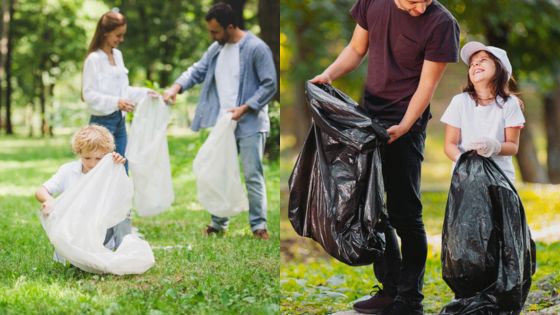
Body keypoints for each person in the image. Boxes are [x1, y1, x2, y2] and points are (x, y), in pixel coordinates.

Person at [310, 0, 460, 314]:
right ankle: (390, 291)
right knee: (372, 210)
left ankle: (410, 300)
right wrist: (327, 75)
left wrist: (405, 125)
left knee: (406, 214)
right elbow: (355, 49)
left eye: (427, 1)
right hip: (367, 122)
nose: (421, 8)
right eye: (414, 1)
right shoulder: (372, 4)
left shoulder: (441, 23)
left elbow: (427, 83)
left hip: (407, 123)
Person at [163, 3, 277, 240]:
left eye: (215, 31)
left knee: (252, 174)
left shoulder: (256, 48)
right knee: (220, 171)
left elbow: (270, 84)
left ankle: (259, 227)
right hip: (224, 123)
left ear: (231, 27)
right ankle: (218, 224)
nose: (212, 36)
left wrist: (246, 108)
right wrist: (176, 87)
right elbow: (196, 71)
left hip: (250, 124)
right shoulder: (216, 49)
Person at [82, 10, 155, 247]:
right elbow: (89, 95)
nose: (120, 39)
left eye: (122, 35)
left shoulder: (119, 56)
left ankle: (122, 232)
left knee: (121, 174)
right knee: (100, 176)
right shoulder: (93, 59)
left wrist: (146, 93)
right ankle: (98, 230)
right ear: (105, 33)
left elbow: (124, 90)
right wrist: (116, 102)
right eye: (117, 35)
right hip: (102, 124)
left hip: (120, 123)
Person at [35, 125, 127, 263]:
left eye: (98, 159)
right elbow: (40, 191)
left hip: (99, 231)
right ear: (79, 153)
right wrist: (50, 201)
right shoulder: (68, 171)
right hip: (74, 230)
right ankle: (72, 255)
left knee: (126, 212)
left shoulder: (110, 171)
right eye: (87, 158)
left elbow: (121, 199)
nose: (92, 164)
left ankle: (121, 252)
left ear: (108, 155)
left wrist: (116, 167)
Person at [441, 41, 525, 182]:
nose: (475, 65)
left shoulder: (510, 104)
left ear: (500, 68)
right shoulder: (459, 102)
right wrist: (463, 162)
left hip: (500, 178)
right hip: (465, 178)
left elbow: (513, 146)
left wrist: (494, 146)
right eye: (472, 64)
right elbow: (449, 145)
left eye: (482, 60)